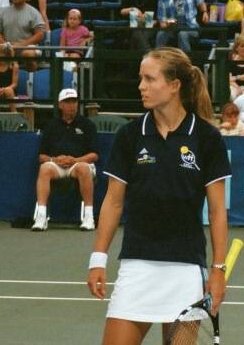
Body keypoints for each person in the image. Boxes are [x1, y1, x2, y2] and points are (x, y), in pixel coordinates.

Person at [87, 47, 231, 344]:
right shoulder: (129, 135)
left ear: (174, 85)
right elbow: (113, 202)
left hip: (186, 267)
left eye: (150, 79)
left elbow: (217, 211)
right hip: (137, 263)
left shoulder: (207, 137)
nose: (141, 86)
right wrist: (97, 259)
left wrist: (218, 270)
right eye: (141, 79)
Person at [32, 88, 99, 231]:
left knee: (83, 168)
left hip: (79, 164)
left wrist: (75, 160)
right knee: (44, 168)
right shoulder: (51, 126)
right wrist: (55, 160)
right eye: (67, 102)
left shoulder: (87, 125)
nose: (72, 105)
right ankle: (41, 216)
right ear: (60, 105)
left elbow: (94, 155)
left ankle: (89, 217)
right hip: (58, 165)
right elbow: (42, 156)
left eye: (74, 101)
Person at [0, 0, 46, 72]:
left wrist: (21, 45)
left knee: (28, 54)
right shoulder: (3, 12)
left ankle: (32, 78)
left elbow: (40, 34)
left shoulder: (33, 12)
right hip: (7, 47)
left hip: (27, 47)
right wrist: (5, 44)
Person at [0, 43, 19, 112]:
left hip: (11, 92)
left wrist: (6, 89)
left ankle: (14, 112)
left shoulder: (14, 66)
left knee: (9, 91)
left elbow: (14, 84)